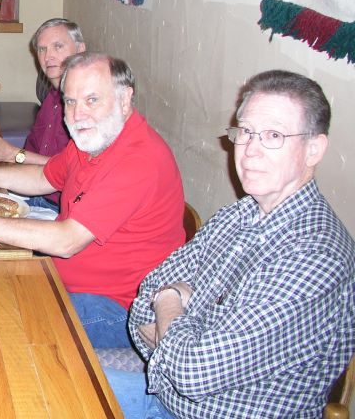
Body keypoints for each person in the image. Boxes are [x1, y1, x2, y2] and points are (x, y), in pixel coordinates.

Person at [114, 70, 355, 419]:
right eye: (245, 132)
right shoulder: (240, 214)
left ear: (313, 149)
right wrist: (182, 331)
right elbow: (142, 304)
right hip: (165, 394)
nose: (250, 151)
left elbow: (192, 370)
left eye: (273, 135)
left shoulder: (315, 256)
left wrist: (169, 299)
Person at [0, 52, 185, 347]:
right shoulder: (93, 140)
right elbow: (42, 179)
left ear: (125, 99)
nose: (78, 115)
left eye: (92, 100)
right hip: (60, 278)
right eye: (70, 101)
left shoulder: (138, 160)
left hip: (117, 308)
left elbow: (67, 241)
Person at [0, 18, 86, 211]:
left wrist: (12, 154)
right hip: (30, 192)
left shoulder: (85, 107)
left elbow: (72, 169)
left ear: (80, 50)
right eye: (42, 49)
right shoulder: (51, 99)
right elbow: (30, 151)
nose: (48, 56)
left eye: (58, 46)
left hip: (58, 207)